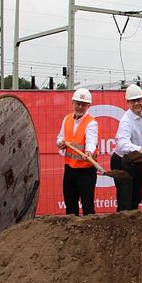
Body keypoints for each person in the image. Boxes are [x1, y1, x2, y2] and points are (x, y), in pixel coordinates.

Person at [111, 84, 142, 212]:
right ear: (128, 103)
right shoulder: (126, 121)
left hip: (136, 161)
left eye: (139, 100)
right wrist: (139, 149)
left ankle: (133, 225)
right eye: (133, 101)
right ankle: (122, 226)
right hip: (122, 162)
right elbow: (122, 143)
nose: (137, 103)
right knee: (125, 200)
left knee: (135, 197)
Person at [56, 88, 98, 216]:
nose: (80, 107)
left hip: (86, 171)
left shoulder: (91, 123)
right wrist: (60, 143)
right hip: (70, 169)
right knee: (70, 205)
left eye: (83, 104)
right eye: (77, 103)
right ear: (72, 103)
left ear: (88, 106)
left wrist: (89, 152)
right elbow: (60, 137)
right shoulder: (67, 119)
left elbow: (91, 140)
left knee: (87, 206)